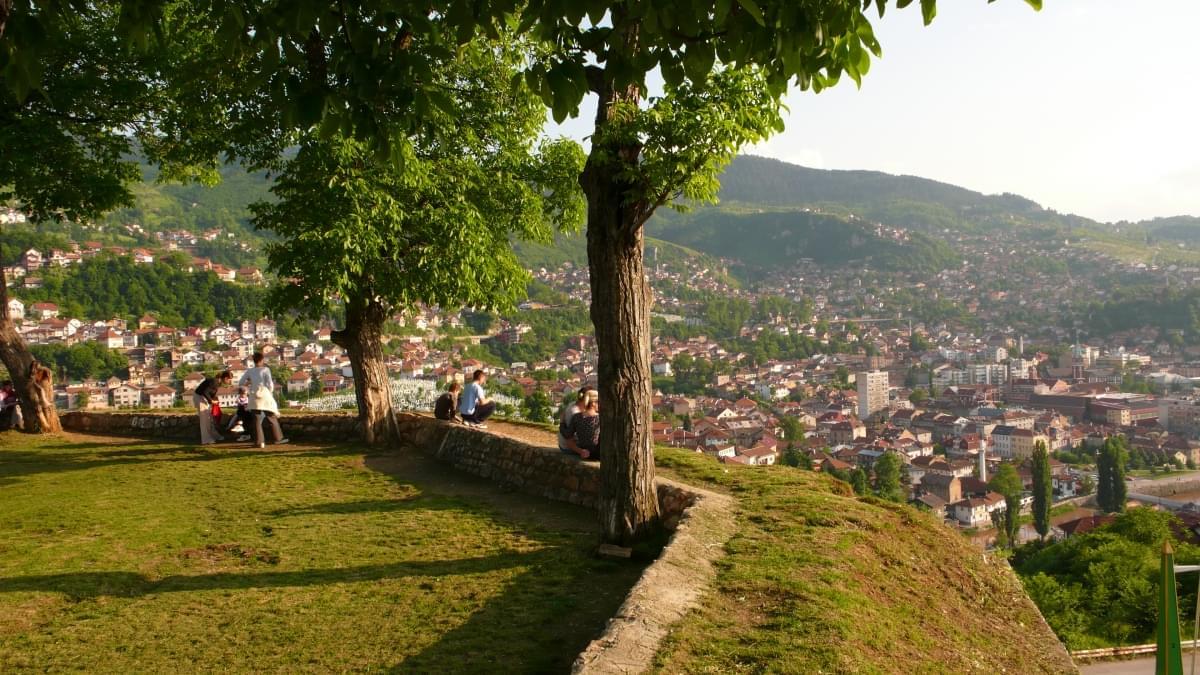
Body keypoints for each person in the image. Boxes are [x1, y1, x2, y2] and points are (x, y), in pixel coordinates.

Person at [239, 353, 289, 448]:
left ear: (254, 361)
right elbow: (270, 384)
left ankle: (259, 442)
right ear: (262, 360)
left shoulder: (250, 371)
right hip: (264, 394)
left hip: (254, 395)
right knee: (271, 417)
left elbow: (241, 382)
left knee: (256, 420)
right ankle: (278, 439)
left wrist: (249, 385)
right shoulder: (265, 370)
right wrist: (269, 392)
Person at [193, 371, 232, 445]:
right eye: (230, 379)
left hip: (203, 397)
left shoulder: (218, 383)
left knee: (209, 419)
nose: (230, 381)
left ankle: (214, 436)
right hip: (199, 397)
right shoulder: (214, 381)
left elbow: (211, 392)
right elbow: (205, 392)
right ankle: (206, 440)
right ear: (226, 378)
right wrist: (211, 401)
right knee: (205, 420)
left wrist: (214, 399)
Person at [558, 387, 594, 456]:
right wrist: (581, 451)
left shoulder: (574, 404)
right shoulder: (575, 413)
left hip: (566, 444)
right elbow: (569, 436)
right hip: (569, 447)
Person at [566, 397, 600, 462]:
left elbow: (568, 440)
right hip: (599, 454)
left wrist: (580, 451)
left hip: (585, 454)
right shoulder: (600, 417)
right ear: (593, 403)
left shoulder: (576, 417)